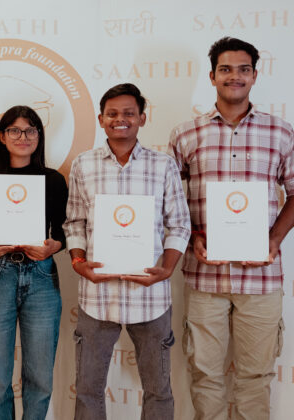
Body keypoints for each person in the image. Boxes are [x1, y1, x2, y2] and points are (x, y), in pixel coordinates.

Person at [169, 37, 294, 420]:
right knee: (205, 375)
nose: (234, 76)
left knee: (256, 376)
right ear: (212, 76)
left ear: (254, 76)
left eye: (243, 69)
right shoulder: (186, 134)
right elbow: (168, 199)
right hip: (205, 276)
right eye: (225, 69)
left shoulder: (281, 132)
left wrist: (273, 239)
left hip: (261, 278)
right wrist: (193, 236)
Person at [64, 83, 191, 420]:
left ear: (142, 118)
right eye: (112, 114)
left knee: (159, 390)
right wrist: (78, 262)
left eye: (129, 113)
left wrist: (167, 269)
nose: (120, 119)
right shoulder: (83, 164)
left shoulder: (163, 165)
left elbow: (180, 224)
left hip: (150, 297)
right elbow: (74, 222)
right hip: (97, 297)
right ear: (101, 119)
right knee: (88, 390)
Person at [0, 105, 67, 420]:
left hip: (41, 275)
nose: (23, 137)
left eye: (30, 130)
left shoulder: (54, 180)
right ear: (1, 136)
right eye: (15, 130)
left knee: (40, 376)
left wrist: (55, 246)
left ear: (39, 135)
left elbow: (64, 230)